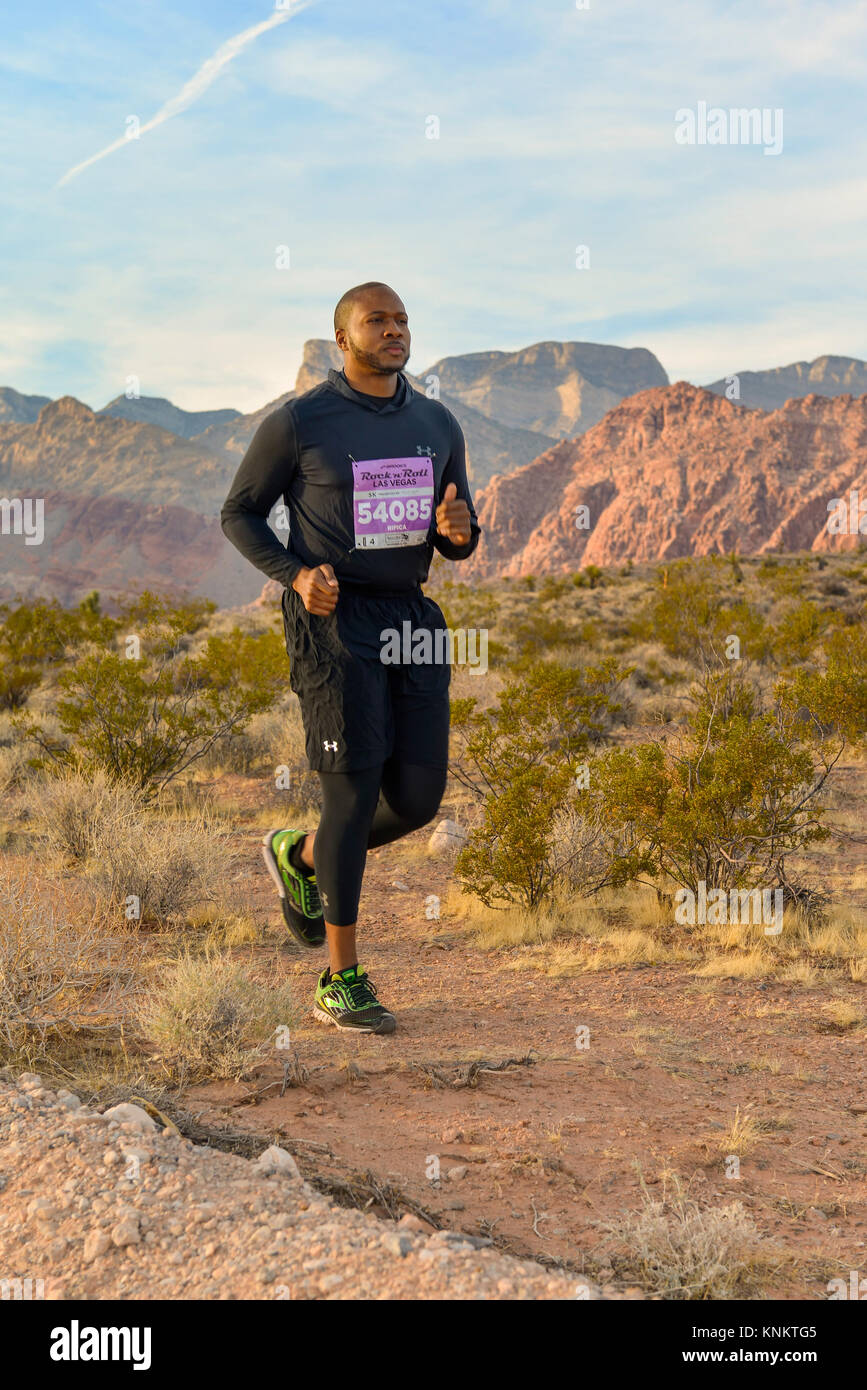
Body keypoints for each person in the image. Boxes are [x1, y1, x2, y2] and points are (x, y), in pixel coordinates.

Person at [220, 282, 481, 1033]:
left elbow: (455, 537)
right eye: (378, 320)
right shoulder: (301, 421)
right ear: (343, 338)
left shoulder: (436, 420)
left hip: (413, 620)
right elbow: (239, 511)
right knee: (351, 794)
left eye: (402, 319)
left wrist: (459, 530)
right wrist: (296, 574)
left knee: (419, 797)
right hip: (334, 621)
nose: (395, 330)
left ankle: (299, 856)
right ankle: (342, 977)